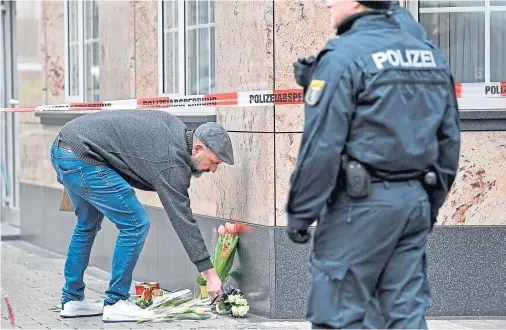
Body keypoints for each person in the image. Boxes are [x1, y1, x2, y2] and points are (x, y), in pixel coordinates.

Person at [285, 0, 461, 329]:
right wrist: (428, 204)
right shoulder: (429, 55)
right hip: (413, 204)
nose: (327, 3)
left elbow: (322, 146)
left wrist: (300, 213)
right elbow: (449, 141)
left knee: (339, 314)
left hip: (359, 208)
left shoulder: (344, 56)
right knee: (405, 314)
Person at [50, 110, 234, 322]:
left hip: (64, 147)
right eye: (213, 162)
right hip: (83, 157)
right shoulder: (171, 162)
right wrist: (209, 274)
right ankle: (116, 301)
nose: (212, 170)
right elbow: (183, 219)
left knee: (87, 224)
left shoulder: (175, 130)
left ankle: (72, 300)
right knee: (135, 224)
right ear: (197, 148)